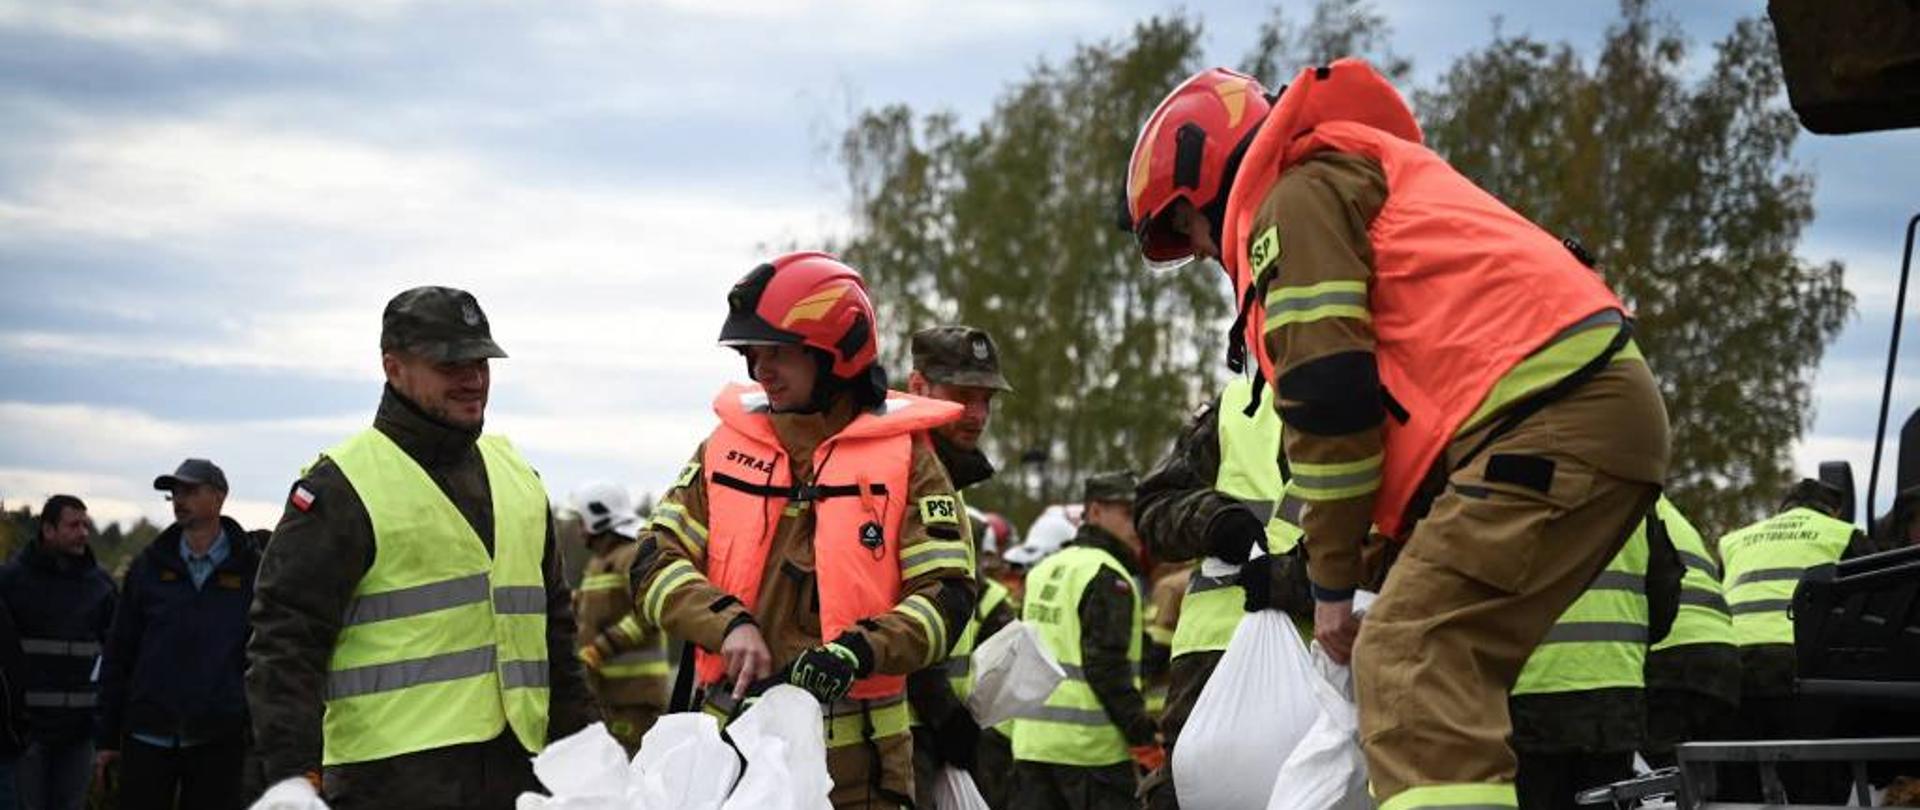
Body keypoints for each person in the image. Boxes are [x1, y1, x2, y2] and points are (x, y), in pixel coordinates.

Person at [1122, 60, 1670, 809]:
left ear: (1206, 179)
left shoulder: (1295, 199)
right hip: (1569, 409)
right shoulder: (1348, 177)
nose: (1210, 254)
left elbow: (1332, 398)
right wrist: (1367, 567)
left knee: (1414, 659)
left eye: (1189, 229)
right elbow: (1400, 422)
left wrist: (1333, 587)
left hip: (1551, 415)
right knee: (1431, 662)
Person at [628, 252, 977, 808]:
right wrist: (728, 624)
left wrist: (858, 652)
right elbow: (652, 561)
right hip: (731, 760)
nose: (760, 371)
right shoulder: (724, 447)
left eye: (779, 354)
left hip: (860, 774)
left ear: (837, 352)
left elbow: (948, 597)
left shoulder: (909, 458)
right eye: (752, 355)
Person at [246, 286, 595, 810]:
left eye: (480, 360)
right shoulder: (343, 486)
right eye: (449, 363)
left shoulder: (518, 477)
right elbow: (285, 640)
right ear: (394, 368)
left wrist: (586, 750)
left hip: (519, 775)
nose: (473, 378)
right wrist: (293, 776)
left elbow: (554, 631)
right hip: (387, 783)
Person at [1133, 376, 1313, 809]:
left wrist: (1293, 581)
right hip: (1209, 670)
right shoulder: (1236, 405)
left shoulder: (1393, 399)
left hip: (1333, 670)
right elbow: (1154, 509)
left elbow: (1409, 554)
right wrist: (1213, 521)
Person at [94, 460, 259, 810]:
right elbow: (119, 650)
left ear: (219, 497)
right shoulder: (149, 567)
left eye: (191, 490)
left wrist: (249, 720)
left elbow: (262, 654)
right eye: (175, 492)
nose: (179, 500)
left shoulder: (251, 570)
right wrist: (107, 737)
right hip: (147, 734)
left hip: (218, 736)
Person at [902, 325, 1016, 807]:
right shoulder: (898, 469)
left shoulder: (943, 473)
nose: (978, 414)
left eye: (986, 398)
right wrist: (941, 710)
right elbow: (889, 600)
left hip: (924, 725)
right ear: (917, 388)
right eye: (962, 396)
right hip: (897, 729)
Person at [1507, 497, 1681, 809]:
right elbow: (1664, 594)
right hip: (1614, 699)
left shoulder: (1515, 494)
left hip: (1534, 694)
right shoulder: (1633, 499)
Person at [1009, 472, 1159, 810]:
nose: (1135, 524)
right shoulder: (1107, 575)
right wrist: (1142, 735)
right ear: (1094, 512)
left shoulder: (1044, 570)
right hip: (1091, 756)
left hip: (1032, 747)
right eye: (1125, 512)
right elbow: (1106, 666)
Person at [1717, 478, 1871, 803]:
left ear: (1783, 507)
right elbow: (1873, 609)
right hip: (1800, 670)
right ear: (1835, 511)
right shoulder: (1840, 533)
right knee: (1815, 791)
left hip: (1733, 671)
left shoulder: (1735, 540)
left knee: (1737, 796)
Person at [0, 495, 116, 810]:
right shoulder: (10, 581)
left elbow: (115, 656)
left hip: (79, 733)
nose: (83, 533)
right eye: (73, 525)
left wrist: (104, 727)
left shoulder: (101, 585)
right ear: (48, 530)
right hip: (27, 735)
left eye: (86, 525)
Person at [568, 482, 669, 754]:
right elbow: (593, 608)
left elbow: (648, 614)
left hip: (636, 697)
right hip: (608, 695)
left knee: (633, 770)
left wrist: (600, 649)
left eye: (581, 522)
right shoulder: (598, 564)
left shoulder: (632, 556)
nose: (579, 530)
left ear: (598, 517)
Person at [1642, 498, 1739, 770]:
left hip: (1670, 652)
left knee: (1665, 782)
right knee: (1712, 785)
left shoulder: (1626, 500)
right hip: (1722, 655)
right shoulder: (1673, 513)